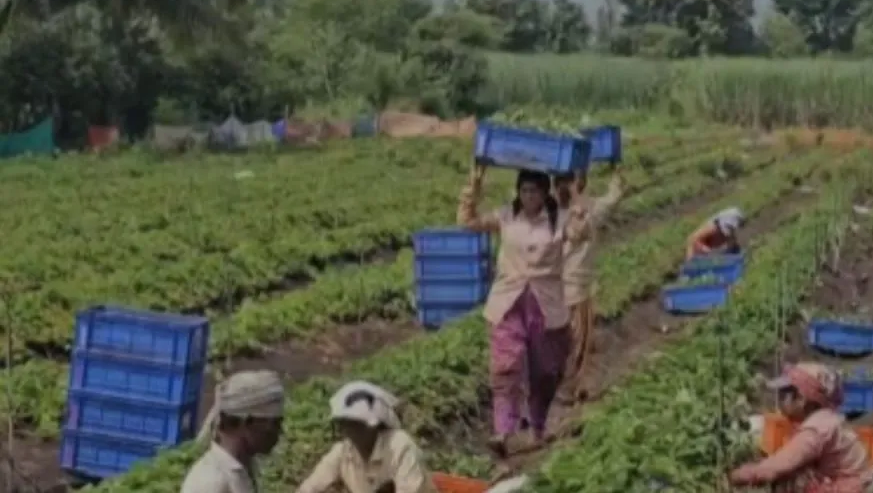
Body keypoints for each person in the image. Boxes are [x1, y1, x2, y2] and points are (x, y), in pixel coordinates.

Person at [457, 164, 588, 457]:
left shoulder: (559, 220)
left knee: (545, 372)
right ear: (518, 192)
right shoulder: (505, 216)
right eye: (524, 191)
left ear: (545, 194)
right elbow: (468, 222)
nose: (529, 196)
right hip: (509, 302)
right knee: (506, 366)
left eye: (535, 191)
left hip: (546, 306)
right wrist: (472, 190)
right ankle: (503, 431)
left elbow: (583, 232)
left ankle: (538, 426)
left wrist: (576, 198)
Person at [728, 363, 873, 492]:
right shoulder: (826, 419)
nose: (780, 400)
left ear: (802, 400)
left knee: (787, 479)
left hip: (851, 488)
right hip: (859, 484)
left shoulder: (816, 430)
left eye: (785, 394)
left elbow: (773, 469)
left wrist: (734, 475)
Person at [553, 167, 625, 405]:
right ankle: (567, 388)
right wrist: (617, 175)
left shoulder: (550, 213)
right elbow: (614, 197)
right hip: (574, 288)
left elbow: (613, 198)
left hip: (555, 288)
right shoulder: (586, 212)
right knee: (577, 340)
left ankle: (568, 385)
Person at [296, 381, 436, 493]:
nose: (349, 431)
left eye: (355, 425)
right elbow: (310, 487)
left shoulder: (400, 446)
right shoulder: (343, 452)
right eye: (344, 424)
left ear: (374, 425)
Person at [181, 370, 286, 493]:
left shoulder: (243, 467)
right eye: (275, 424)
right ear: (246, 423)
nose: (279, 431)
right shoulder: (212, 482)